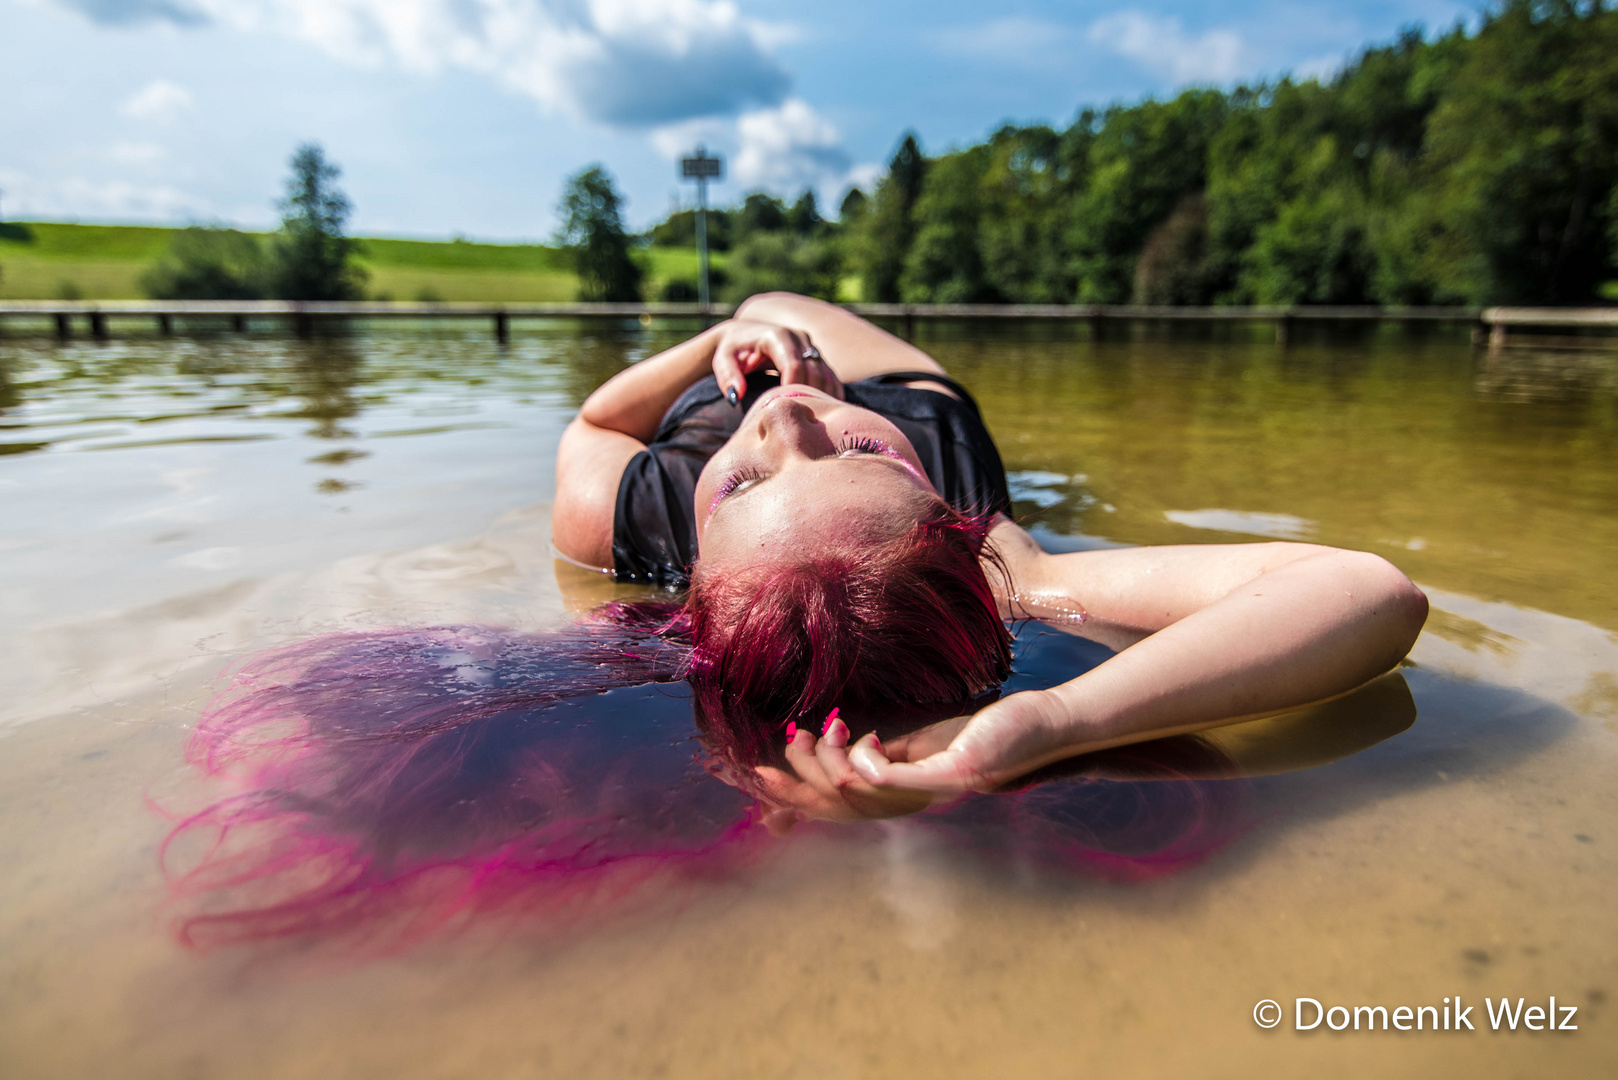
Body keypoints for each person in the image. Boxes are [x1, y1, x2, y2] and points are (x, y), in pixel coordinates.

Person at [553, 293, 1430, 832]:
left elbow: (594, 425)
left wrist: (727, 334)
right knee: (787, 306)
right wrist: (1054, 722)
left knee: (765, 299)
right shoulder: (1005, 560)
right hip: (914, 413)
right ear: (962, 533)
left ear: (698, 575)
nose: (789, 418)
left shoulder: (646, 517)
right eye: (854, 453)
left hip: (728, 400)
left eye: (738, 487)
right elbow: (1372, 593)